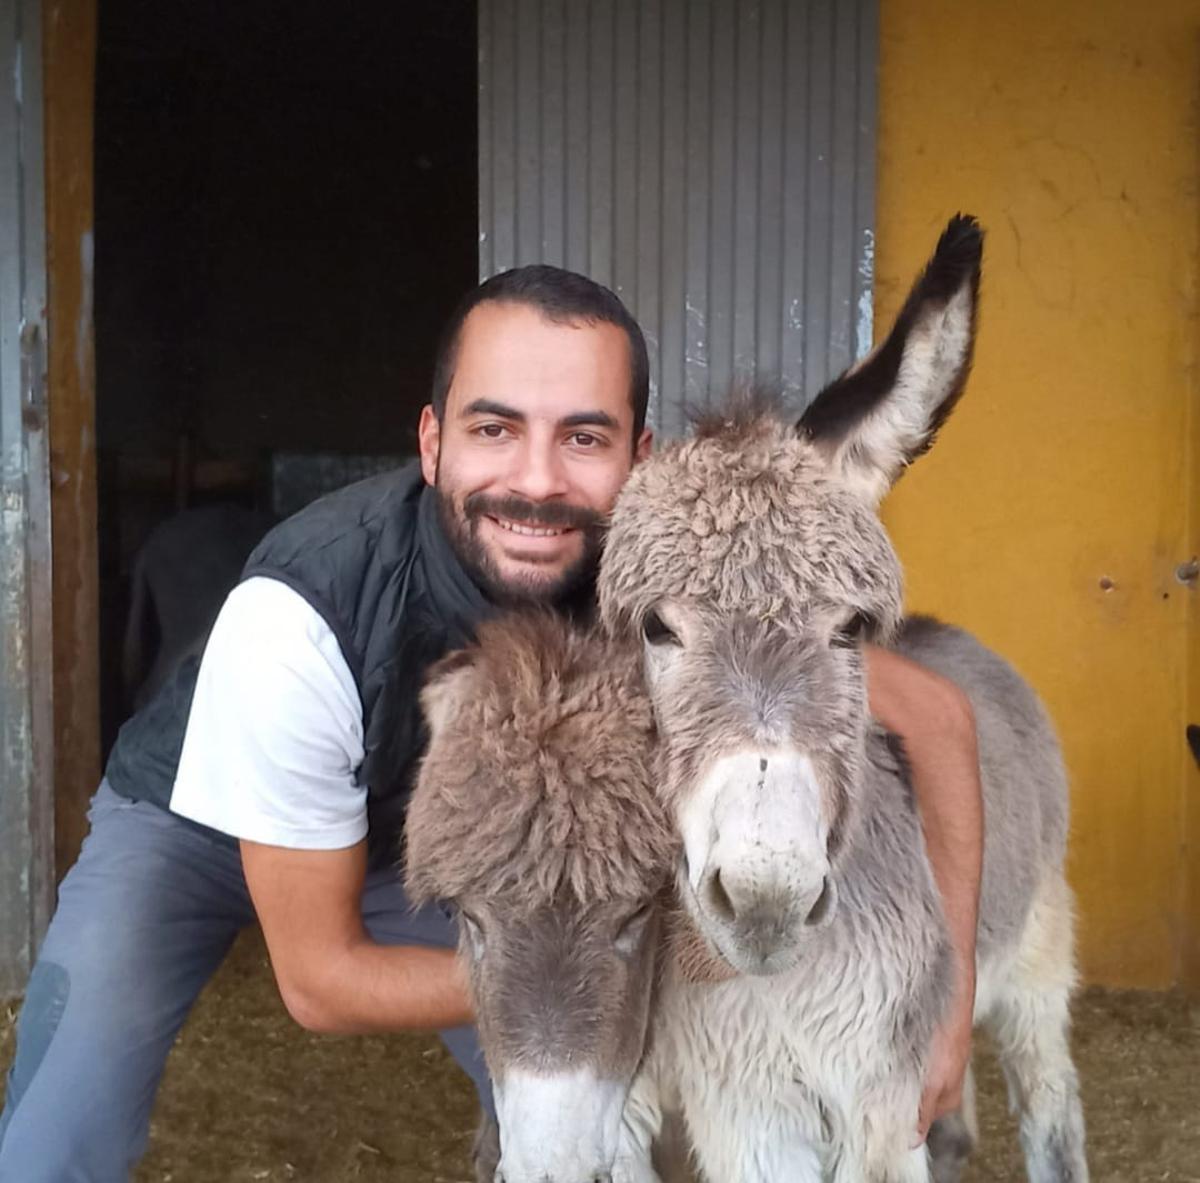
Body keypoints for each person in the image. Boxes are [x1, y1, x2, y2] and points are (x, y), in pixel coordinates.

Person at [0, 265, 981, 1181]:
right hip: (200, 827)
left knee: (614, 1133)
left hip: (483, 849)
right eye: (495, 429)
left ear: (640, 460)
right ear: (431, 442)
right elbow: (320, 981)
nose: (539, 480)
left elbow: (935, 719)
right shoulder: (300, 619)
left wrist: (951, 1008)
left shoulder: (661, 579)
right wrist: (575, 969)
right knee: (56, 1132)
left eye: (585, 437)